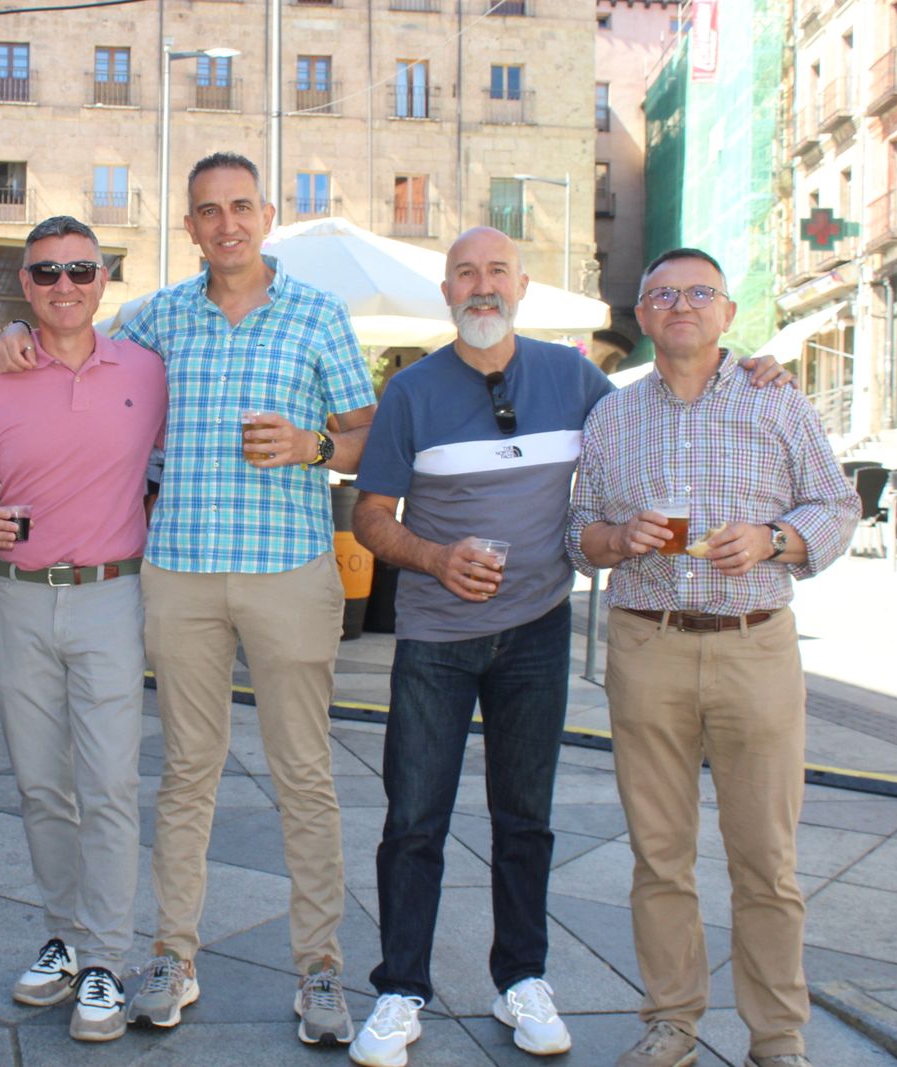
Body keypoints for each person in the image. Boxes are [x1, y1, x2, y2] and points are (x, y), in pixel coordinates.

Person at [346, 229, 794, 1067]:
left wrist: (751, 363)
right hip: (437, 637)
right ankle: (400, 987)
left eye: (497, 274)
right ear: (448, 290)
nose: (482, 288)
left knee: (526, 821)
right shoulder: (411, 391)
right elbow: (370, 515)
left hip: (537, 632)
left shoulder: (576, 381)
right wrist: (436, 557)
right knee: (413, 820)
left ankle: (522, 978)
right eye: (466, 275)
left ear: (521, 286)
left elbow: (667, 388)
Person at [0, 151, 376, 1047]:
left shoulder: (317, 313)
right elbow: (70, 339)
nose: (227, 224)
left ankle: (319, 965)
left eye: (242, 207)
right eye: (209, 210)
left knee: (304, 773)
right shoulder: (156, 317)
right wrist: (17, 338)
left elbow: (364, 431)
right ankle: (173, 954)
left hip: (289, 568)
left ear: (268, 214)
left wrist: (315, 444)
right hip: (182, 573)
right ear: (192, 224)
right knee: (188, 773)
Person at [567, 248, 857, 1067]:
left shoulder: (777, 400)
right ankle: (671, 1021)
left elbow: (838, 502)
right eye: (661, 294)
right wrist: (618, 539)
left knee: (765, 857)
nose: (680, 305)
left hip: (754, 643)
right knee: (659, 854)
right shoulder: (613, 416)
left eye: (699, 293)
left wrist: (776, 538)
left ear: (727, 312)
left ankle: (777, 1037)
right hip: (646, 640)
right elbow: (577, 529)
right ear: (643, 314)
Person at [0, 216, 166, 1042]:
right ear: (25, 284)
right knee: (42, 783)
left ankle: (110, 959)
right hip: (18, 598)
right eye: (45, 274)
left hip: (113, 596)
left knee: (111, 786)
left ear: (104, 277)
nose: (64, 286)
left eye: (80, 270)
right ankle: (65, 936)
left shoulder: (149, 369)